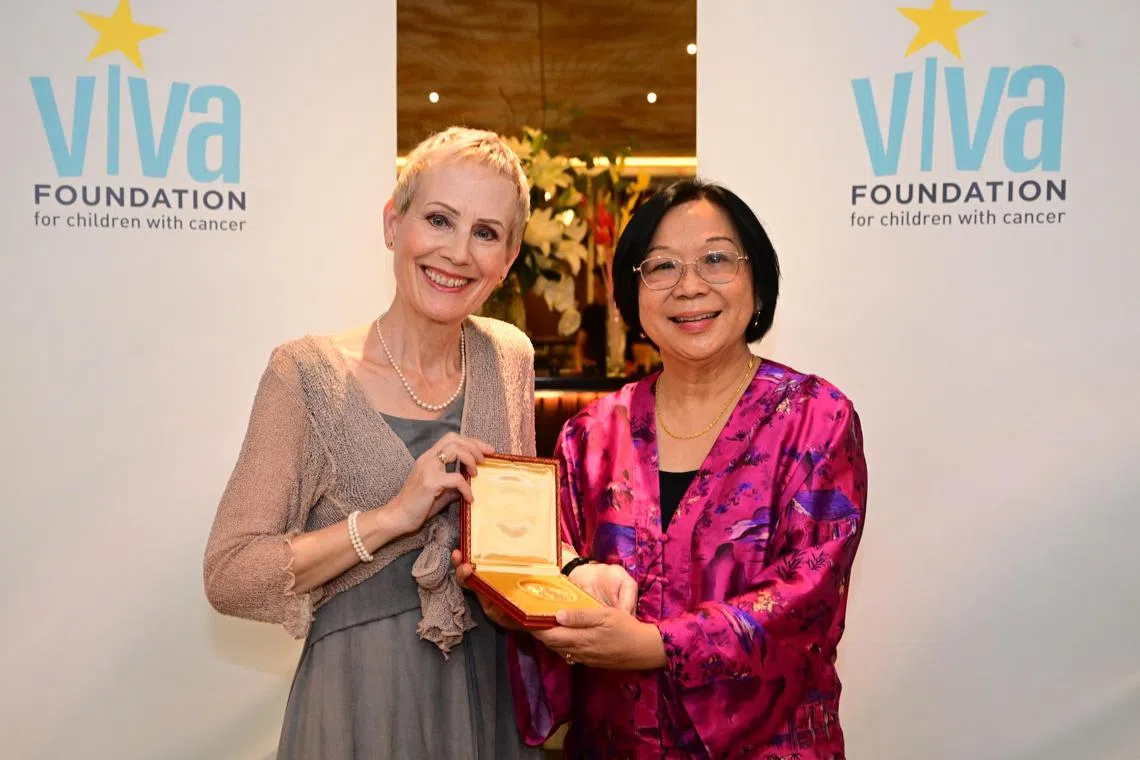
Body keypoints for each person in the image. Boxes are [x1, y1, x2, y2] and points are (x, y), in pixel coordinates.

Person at [462, 178, 869, 758]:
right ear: (635, 293)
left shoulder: (814, 418)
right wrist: (503, 591)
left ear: (758, 282)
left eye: (716, 260)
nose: (690, 286)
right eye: (662, 267)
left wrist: (657, 644)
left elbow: (807, 598)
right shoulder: (592, 434)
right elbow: (559, 574)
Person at [203, 126, 546, 759]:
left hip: (487, 696)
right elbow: (231, 576)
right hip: (360, 702)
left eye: (486, 233)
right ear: (394, 223)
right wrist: (390, 518)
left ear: (509, 257)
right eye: (439, 219)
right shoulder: (305, 374)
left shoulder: (509, 358)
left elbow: (516, 540)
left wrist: (569, 575)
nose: (459, 253)